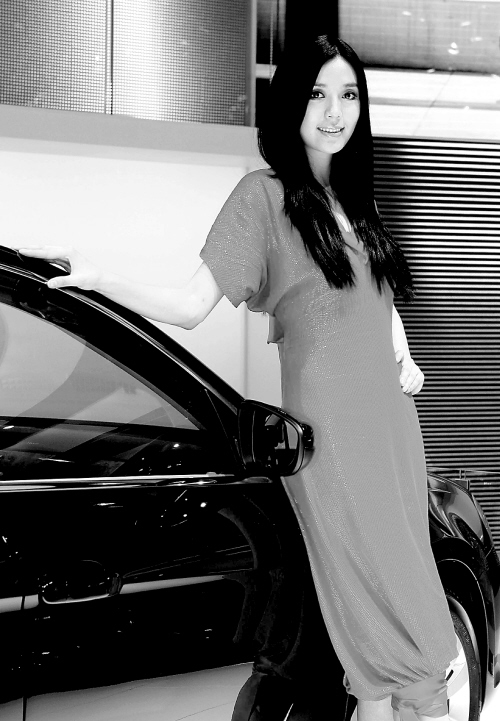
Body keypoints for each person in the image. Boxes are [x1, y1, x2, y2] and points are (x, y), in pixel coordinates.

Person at [15, 34, 459, 721]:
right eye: (317, 93)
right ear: (290, 103)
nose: (335, 111)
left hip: (395, 433)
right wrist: (99, 277)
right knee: (403, 630)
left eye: (348, 95)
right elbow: (191, 303)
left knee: (384, 637)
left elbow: (375, 296)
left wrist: (404, 353)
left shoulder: (354, 201)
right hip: (337, 441)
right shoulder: (263, 197)